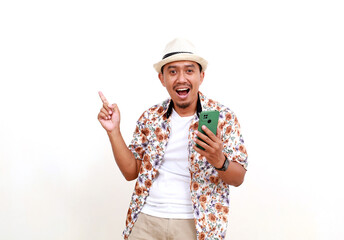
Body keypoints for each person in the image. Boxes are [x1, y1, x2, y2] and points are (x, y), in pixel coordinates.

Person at [97, 38, 248, 240]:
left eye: (189, 70)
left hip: (196, 225)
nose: (181, 78)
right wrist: (113, 131)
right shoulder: (150, 117)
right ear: (162, 78)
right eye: (173, 71)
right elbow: (131, 172)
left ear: (201, 76)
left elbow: (238, 178)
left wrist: (219, 160)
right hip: (147, 219)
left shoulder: (223, 117)